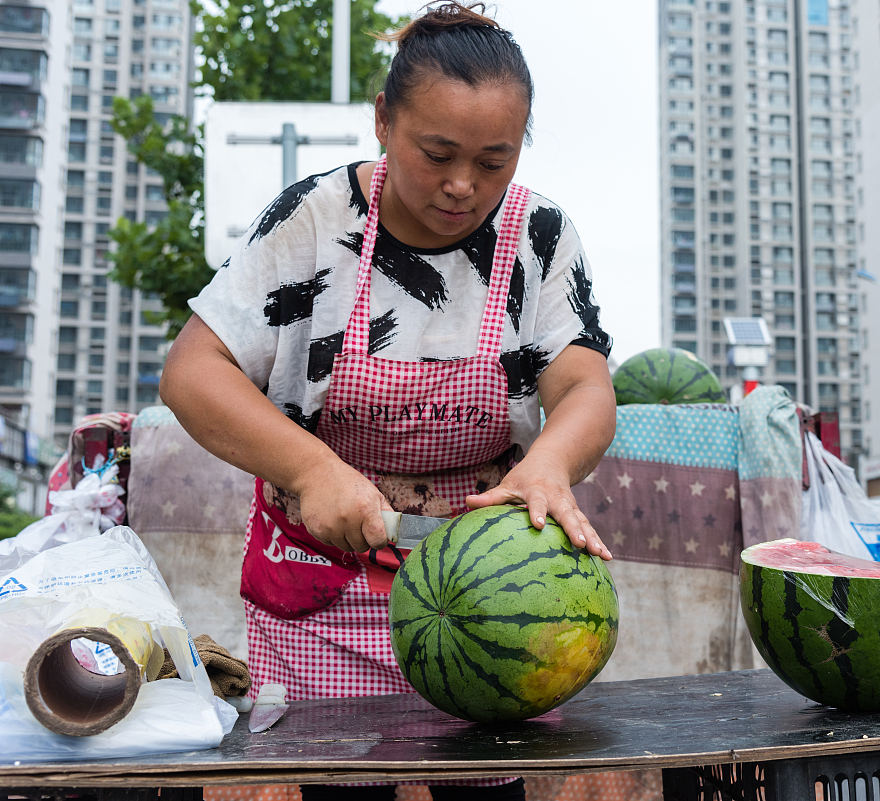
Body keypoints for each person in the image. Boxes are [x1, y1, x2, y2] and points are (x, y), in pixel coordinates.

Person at [159, 5, 615, 798]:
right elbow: (193, 372)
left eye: (495, 161)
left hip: (489, 600)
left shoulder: (539, 235)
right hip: (325, 588)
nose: (463, 185)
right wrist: (311, 470)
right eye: (437, 154)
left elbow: (585, 385)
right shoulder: (311, 221)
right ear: (382, 119)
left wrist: (550, 463)